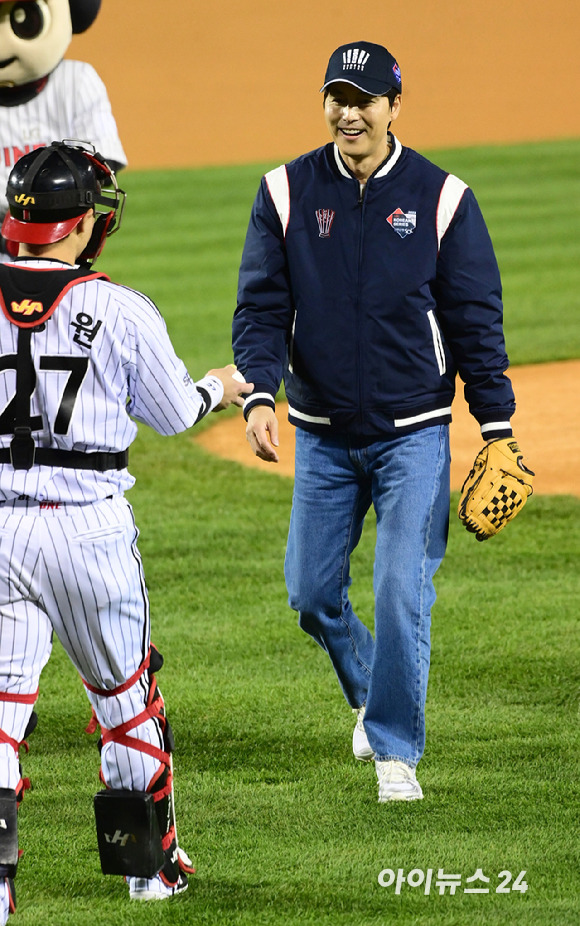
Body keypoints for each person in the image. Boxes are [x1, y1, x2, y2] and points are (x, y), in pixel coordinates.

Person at [232, 41, 532, 803]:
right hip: (325, 435)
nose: (349, 112)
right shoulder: (286, 192)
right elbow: (262, 308)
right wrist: (260, 394)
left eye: (364, 98)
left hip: (416, 433)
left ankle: (396, 750)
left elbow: (474, 319)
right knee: (309, 594)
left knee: (402, 588)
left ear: (395, 106)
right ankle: (371, 691)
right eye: (337, 96)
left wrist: (496, 426)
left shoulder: (442, 198)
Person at [0, 140, 252, 921]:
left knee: (3, 715)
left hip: (2, 533)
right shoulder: (118, 308)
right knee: (126, 701)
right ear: (81, 226)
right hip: (90, 535)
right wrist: (223, 386)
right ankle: (150, 874)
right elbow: (176, 413)